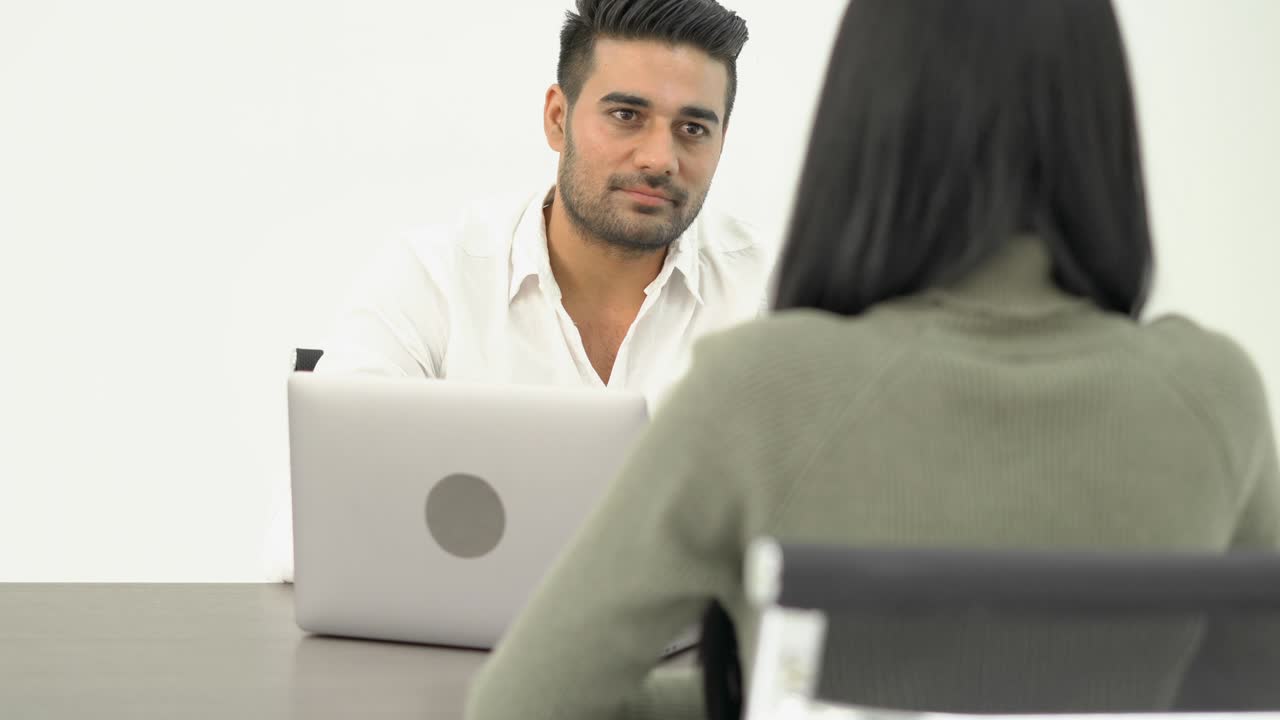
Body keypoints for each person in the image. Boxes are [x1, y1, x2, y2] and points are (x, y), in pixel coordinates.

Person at [464, 0, 1280, 718]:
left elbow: (525, 705)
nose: (658, 156)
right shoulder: (1220, 398)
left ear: (862, 121)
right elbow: (1248, 691)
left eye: (691, 125)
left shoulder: (759, 389)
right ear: (1103, 123)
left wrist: (766, 701)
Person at [314, 0, 770, 401]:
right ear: (557, 118)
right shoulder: (435, 283)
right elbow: (331, 478)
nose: (659, 159)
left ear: (721, 140)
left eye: (692, 129)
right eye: (626, 115)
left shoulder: (771, 299)